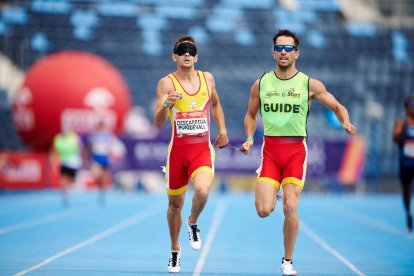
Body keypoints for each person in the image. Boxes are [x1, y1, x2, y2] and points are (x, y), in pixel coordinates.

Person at [240, 29, 356, 275]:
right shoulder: (261, 83)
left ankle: (287, 261)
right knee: (263, 210)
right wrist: (250, 138)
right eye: (279, 48)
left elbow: (337, 105)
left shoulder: (308, 84)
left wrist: (345, 121)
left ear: (297, 53)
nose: (283, 52)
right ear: (273, 53)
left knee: (290, 208)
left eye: (288, 48)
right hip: (270, 151)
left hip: (295, 151)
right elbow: (250, 114)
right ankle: (277, 193)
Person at [154, 35, 229, 273]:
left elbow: (215, 104)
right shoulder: (166, 83)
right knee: (174, 205)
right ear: (174, 56)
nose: (186, 54)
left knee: (203, 190)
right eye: (181, 51)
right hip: (177, 153)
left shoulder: (207, 79)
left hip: (201, 150)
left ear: (196, 57)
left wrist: (223, 130)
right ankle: (175, 251)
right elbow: (157, 122)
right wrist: (167, 104)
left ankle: (193, 222)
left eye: (191, 51)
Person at [392, 96, 414, 233]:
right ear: (407, 108)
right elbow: (394, 138)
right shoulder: (402, 122)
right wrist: (400, 130)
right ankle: (408, 213)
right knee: (406, 189)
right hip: (406, 163)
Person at [52, 125, 83, 206]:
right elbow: (54, 150)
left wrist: (80, 156)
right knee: (63, 179)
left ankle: (74, 184)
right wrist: (54, 160)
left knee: (73, 180)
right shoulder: (58, 139)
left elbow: (80, 147)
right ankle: (64, 195)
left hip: (73, 163)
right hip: (63, 162)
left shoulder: (73, 138)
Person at [87, 120, 116, 206]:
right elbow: (91, 146)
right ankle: (99, 185)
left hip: (104, 158)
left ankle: (102, 192)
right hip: (96, 157)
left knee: (104, 178)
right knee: (96, 175)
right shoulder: (94, 135)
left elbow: (110, 145)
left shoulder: (108, 134)